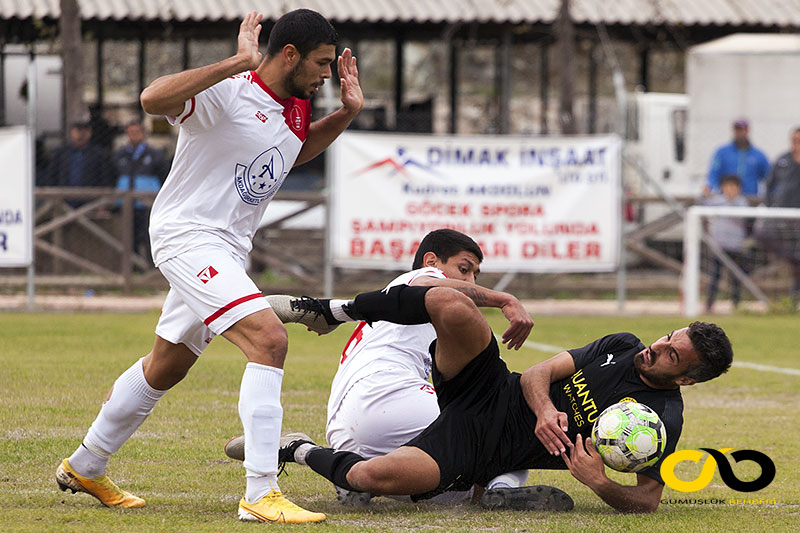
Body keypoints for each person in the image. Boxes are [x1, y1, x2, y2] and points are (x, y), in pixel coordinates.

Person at [55, 9, 363, 524]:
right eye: (321, 63)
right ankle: (260, 492)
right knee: (269, 340)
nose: (327, 75)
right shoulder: (230, 89)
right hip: (188, 237)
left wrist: (347, 113)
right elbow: (152, 99)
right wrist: (237, 61)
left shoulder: (296, 108)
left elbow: (291, 153)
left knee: (167, 365)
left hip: (226, 248)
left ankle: (86, 465)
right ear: (288, 55)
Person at [268, 286, 733, 513]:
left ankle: (299, 449)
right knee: (449, 302)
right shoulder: (623, 345)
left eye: (672, 354)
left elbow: (648, 501)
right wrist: (546, 409)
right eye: (669, 336)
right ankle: (335, 311)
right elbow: (538, 373)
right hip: (489, 385)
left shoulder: (663, 419)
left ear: (687, 380)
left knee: (372, 477)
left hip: (481, 447)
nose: (658, 347)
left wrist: (597, 482)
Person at [224, 229, 532, 505]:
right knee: (503, 423)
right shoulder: (421, 279)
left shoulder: (393, 302)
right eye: (464, 269)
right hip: (387, 394)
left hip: (346, 428)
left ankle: (308, 454)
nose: (470, 281)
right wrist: (503, 298)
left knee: (449, 488)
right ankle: (501, 488)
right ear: (432, 261)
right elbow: (434, 288)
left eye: (476, 275)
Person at [112, 120, 169, 261]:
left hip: (148, 204)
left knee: (148, 235)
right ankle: (132, 266)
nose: (134, 136)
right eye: (130, 133)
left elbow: (165, 177)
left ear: (143, 134)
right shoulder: (119, 155)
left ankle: (151, 266)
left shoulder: (156, 156)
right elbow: (112, 177)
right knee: (128, 236)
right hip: (125, 204)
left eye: (137, 132)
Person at [758, 127, 800, 307]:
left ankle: (794, 294)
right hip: (783, 217)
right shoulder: (783, 160)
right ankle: (794, 260)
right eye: (794, 139)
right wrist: (770, 206)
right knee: (762, 233)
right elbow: (769, 183)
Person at [703, 174, 752, 312]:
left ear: (739, 188)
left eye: (733, 187)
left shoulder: (742, 203)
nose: (730, 190)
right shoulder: (718, 201)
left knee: (736, 277)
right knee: (715, 276)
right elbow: (704, 202)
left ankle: (736, 304)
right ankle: (710, 304)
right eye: (727, 187)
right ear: (722, 188)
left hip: (735, 246)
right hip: (719, 246)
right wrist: (704, 194)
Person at [40, 121, 116, 189]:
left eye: (85, 131)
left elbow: (106, 178)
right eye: (78, 131)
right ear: (72, 133)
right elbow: (52, 175)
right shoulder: (61, 153)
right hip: (64, 196)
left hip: (91, 197)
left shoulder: (99, 154)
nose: (81, 135)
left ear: (90, 133)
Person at [705, 119, 769, 199]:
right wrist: (710, 187)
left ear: (747, 131)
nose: (739, 133)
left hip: (749, 197)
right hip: (726, 198)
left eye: (742, 130)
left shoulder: (758, 155)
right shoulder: (722, 153)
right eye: (737, 130)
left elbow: (768, 177)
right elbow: (713, 174)